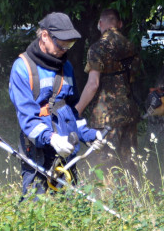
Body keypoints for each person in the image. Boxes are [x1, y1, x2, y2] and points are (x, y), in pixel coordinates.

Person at [9, 12, 99, 196]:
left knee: (69, 211)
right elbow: (28, 121)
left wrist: (88, 134)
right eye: (61, 43)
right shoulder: (22, 68)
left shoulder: (66, 67)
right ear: (44, 36)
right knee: (36, 209)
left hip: (66, 155)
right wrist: (52, 138)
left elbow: (71, 111)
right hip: (38, 155)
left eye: (70, 44)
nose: (65, 48)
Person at [75, 8, 143, 159]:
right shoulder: (132, 47)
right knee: (129, 164)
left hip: (105, 117)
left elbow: (93, 84)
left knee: (106, 167)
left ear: (100, 24)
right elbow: (131, 78)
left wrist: (78, 109)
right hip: (128, 113)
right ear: (120, 23)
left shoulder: (97, 48)